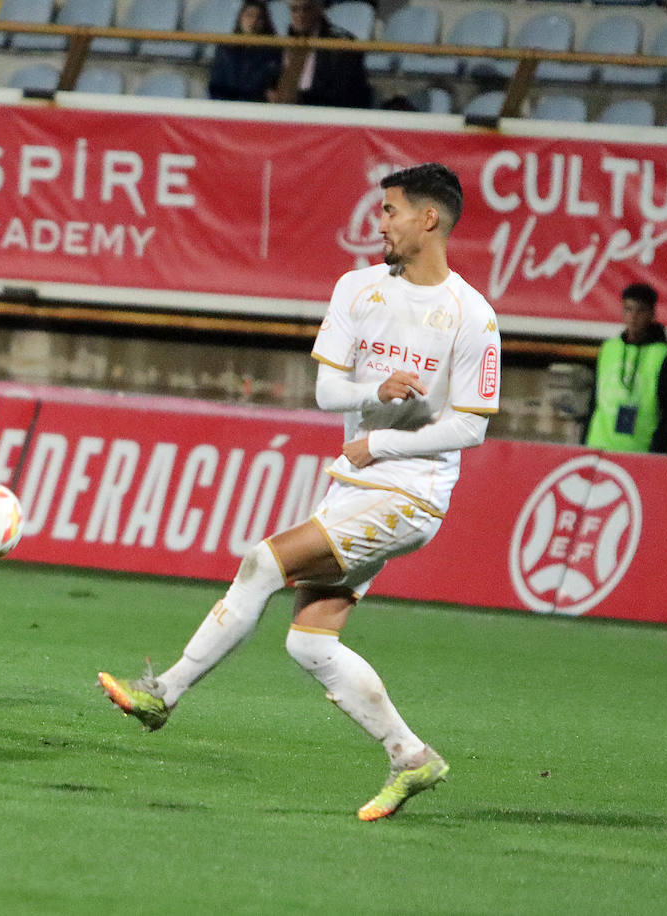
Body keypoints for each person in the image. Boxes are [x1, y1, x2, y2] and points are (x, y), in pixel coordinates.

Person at [98, 163, 500, 822]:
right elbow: (326, 391)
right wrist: (375, 395)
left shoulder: (472, 316)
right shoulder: (356, 288)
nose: (380, 223)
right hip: (355, 489)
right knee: (310, 643)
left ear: (429, 219)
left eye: (391, 211)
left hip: (412, 492)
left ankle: (162, 693)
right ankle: (410, 756)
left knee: (263, 562)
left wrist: (384, 442)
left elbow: (472, 425)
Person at [584, 282, 667, 454]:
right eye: (628, 310)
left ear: (652, 315)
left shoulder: (663, 356)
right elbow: (594, 401)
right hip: (597, 446)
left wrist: (657, 452)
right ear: (622, 313)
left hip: (639, 452)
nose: (633, 317)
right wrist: (584, 442)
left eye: (640, 311)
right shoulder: (609, 348)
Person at [272, 0, 373, 108]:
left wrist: (303, 98)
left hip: (324, 112)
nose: (300, 15)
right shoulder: (282, 41)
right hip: (284, 111)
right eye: (294, 10)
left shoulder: (341, 45)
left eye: (307, 9)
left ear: (319, 10)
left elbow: (344, 93)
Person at [208, 1, 282, 103]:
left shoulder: (274, 53)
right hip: (228, 108)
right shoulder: (225, 50)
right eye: (249, 15)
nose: (253, 21)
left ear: (265, 22)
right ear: (240, 18)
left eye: (259, 17)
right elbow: (216, 88)